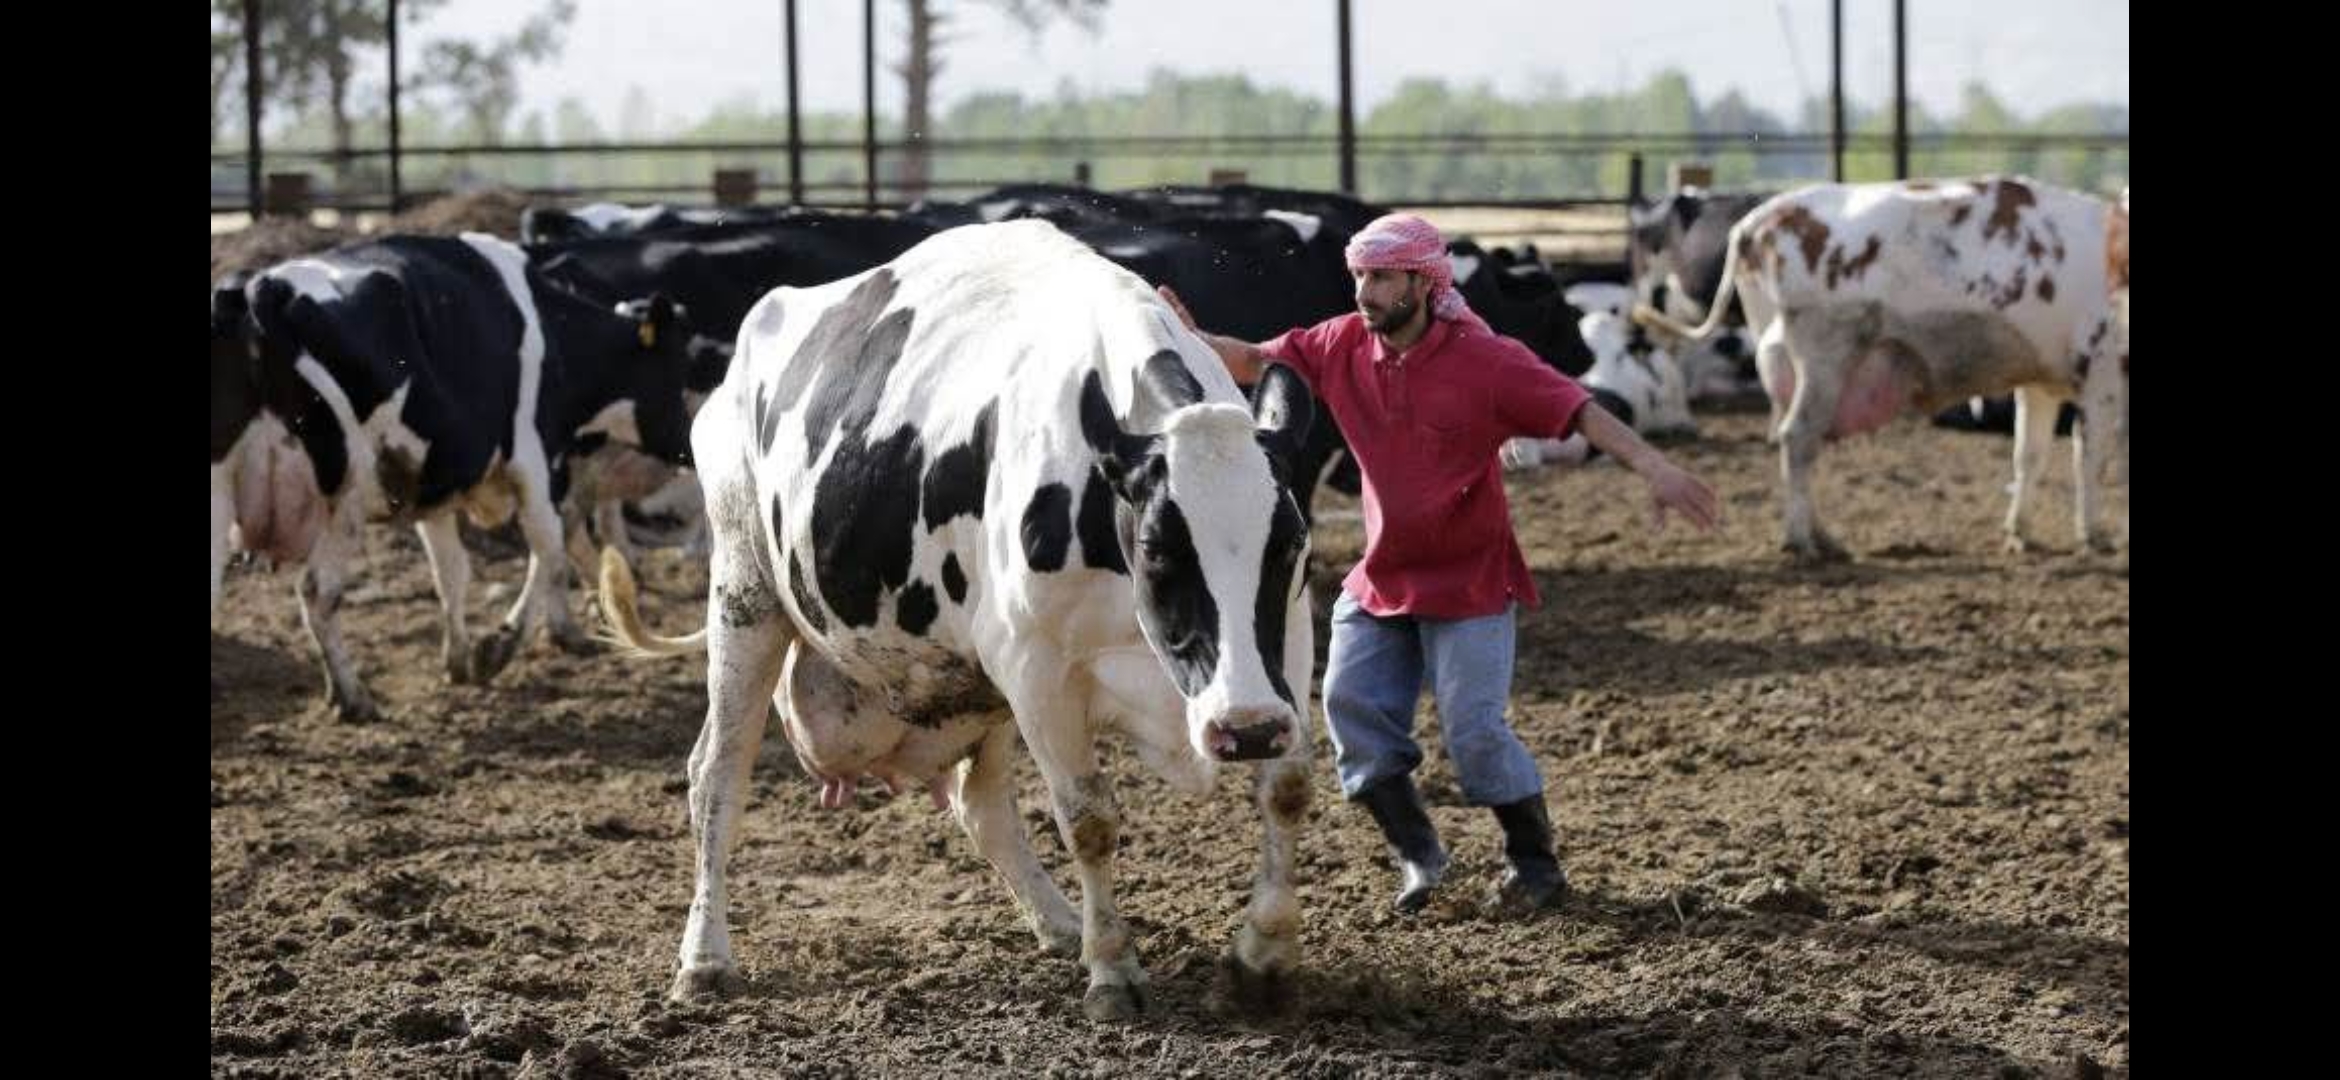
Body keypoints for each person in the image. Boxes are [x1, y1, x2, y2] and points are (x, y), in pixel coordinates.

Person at [1157, 212, 1721, 914]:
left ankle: (1534, 864)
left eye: (1382, 277)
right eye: (1359, 275)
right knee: (1349, 710)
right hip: (1383, 578)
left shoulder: (1486, 361)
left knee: (1474, 731)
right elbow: (1253, 360)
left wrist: (1655, 466)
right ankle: (1422, 858)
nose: (1365, 290)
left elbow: (1577, 409)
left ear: (1423, 283)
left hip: (1471, 582)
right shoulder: (1339, 345)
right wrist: (1188, 339)